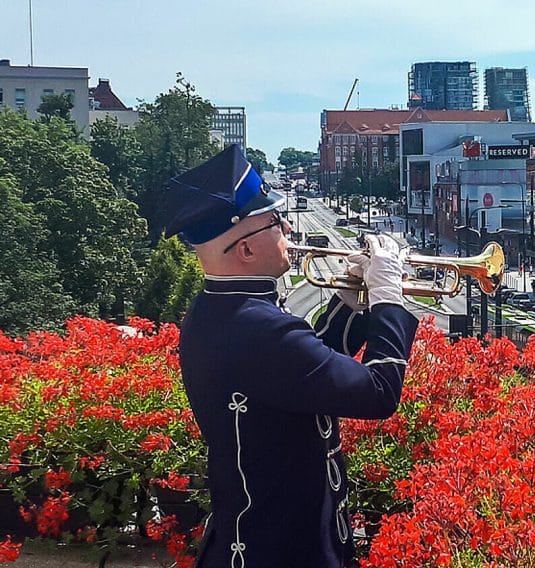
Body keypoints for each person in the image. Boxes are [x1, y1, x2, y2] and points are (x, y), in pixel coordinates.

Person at [163, 145, 419, 568]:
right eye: (274, 223)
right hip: (281, 549)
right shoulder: (258, 327)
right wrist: (388, 298)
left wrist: (350, 299)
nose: (286, 228)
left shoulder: (225, 310)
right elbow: (378, 393)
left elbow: (304, 372)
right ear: (245, 250)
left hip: (263, 538)